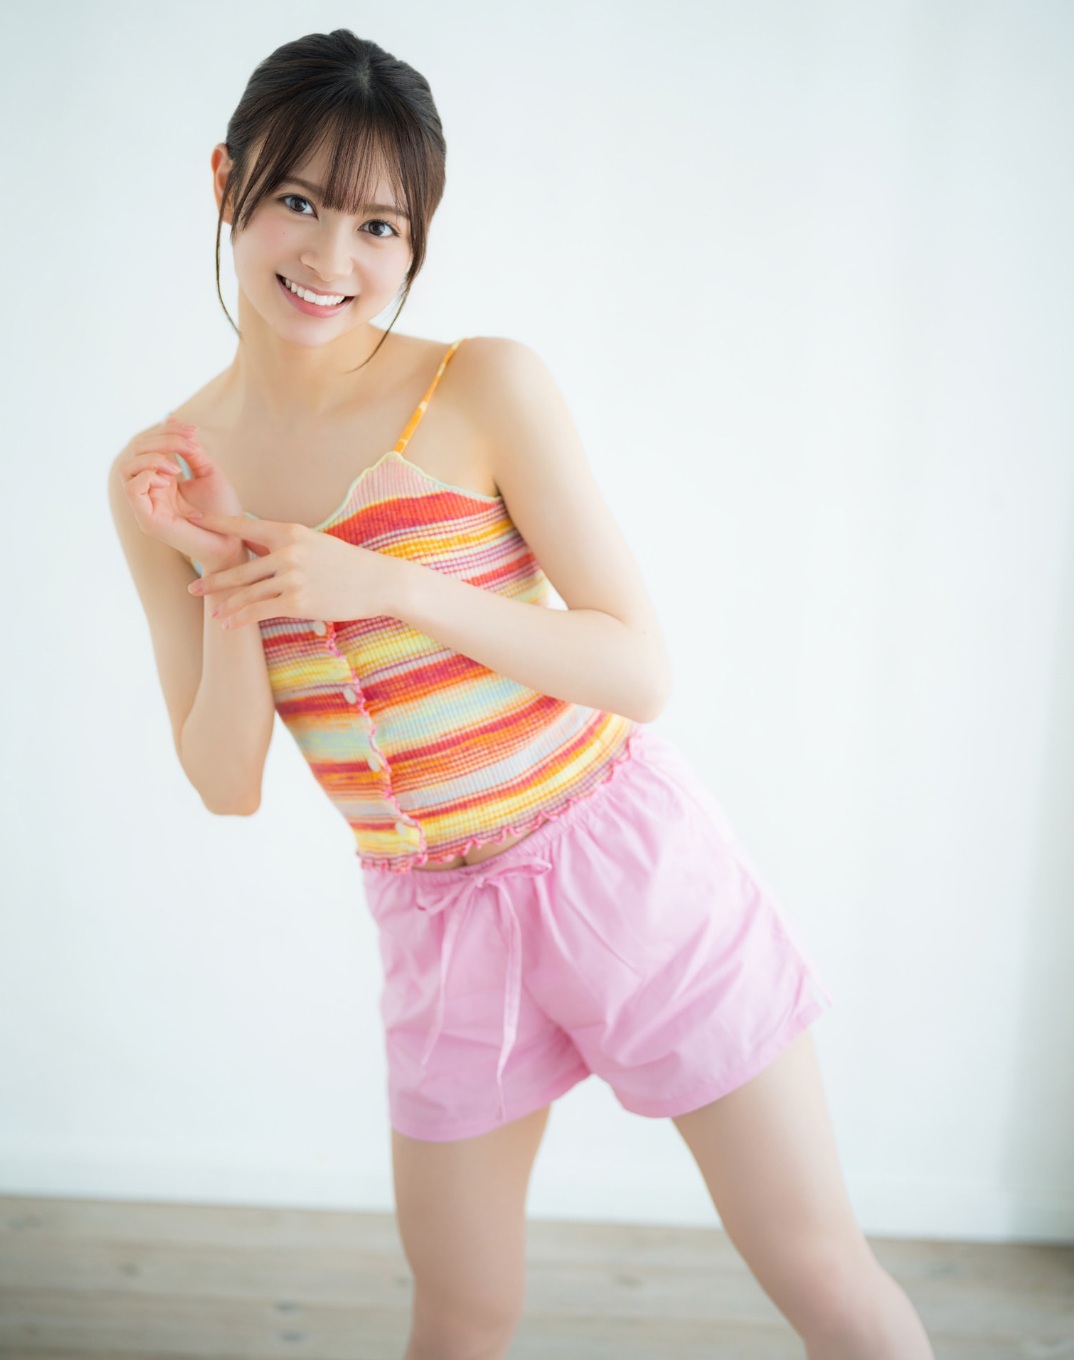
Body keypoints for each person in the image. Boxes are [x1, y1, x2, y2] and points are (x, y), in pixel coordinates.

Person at [108, 27, 935, 1360]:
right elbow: (225, 782)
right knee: (462, 1312)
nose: (332, 258)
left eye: (380, 225)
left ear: (416, 239)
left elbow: (636, 668)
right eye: (300, 202)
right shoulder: (160, 475)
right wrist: (224, 571)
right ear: (225, 182)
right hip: (435, 922)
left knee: (817, 1270)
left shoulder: (480, 385)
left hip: (625, 867)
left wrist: (385, 585)